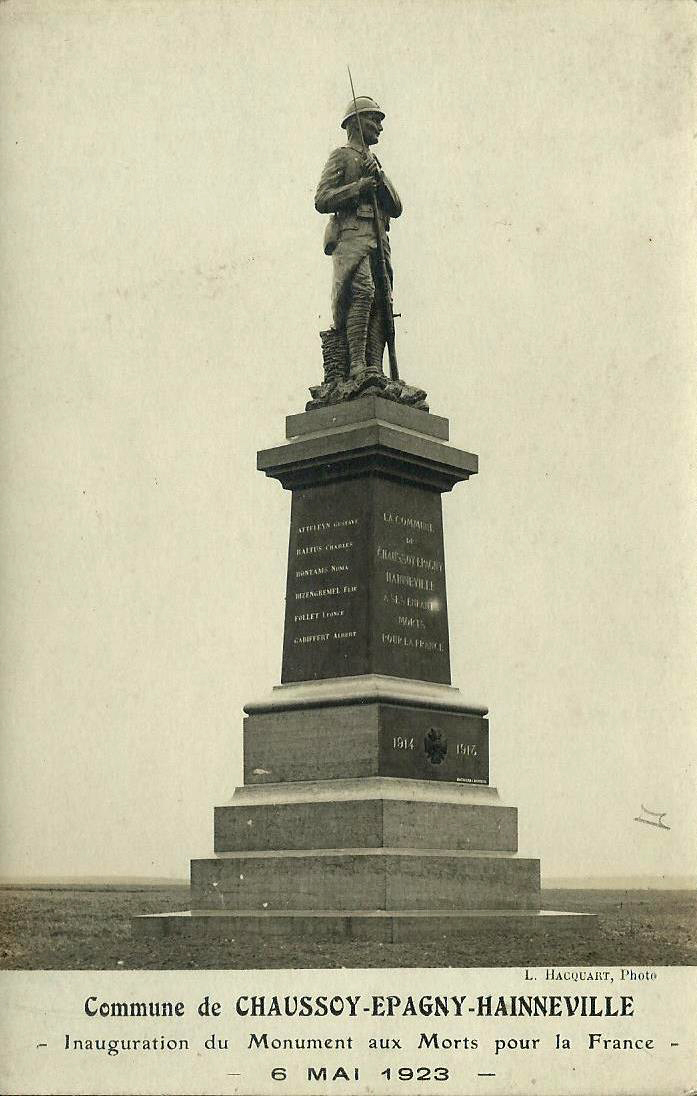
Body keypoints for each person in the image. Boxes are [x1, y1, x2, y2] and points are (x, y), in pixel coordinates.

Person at [314, 96, 402, 377]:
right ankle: (356, 366)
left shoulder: (374, 161)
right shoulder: (341, 156)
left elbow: (397, 208)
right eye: (373, 119)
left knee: (382, 300)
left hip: (379, 238)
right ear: (355, 122)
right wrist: (359, 187)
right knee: (363, 292)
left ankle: (375, 369)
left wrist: (380, 177)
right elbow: (322, 199)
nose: (379, 127)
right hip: (353, 236)